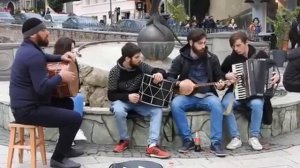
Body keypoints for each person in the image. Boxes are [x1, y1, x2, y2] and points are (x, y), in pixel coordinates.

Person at [9, 18, 82, 168]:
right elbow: (42, 88)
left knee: (67, 103)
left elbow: (44, 57)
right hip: (28, 110)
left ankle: (65, 148)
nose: (48, 33)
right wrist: (61, 76)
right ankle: (58, 159)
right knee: (75, 118)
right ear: (34, 34)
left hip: (27, 104)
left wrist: (60, 57)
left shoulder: (28, 49)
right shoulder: (32, 55)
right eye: (44, 30)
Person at [167, 28, 227, 157]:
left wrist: (221, 84)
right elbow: (169, 78)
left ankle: (215, 143)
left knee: (217, 105)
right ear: (191, 43)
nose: (203, 46)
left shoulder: (212, 58)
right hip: (187, 96)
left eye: (204, 43)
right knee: (176, 104)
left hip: (207, 95)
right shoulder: (180, 59)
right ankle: (187, 140)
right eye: (200, 43)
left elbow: (219, 78)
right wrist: (179, 83)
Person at [107, 42, 171, 159]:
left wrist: (159, 74)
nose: (140, 58)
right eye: (136, 57)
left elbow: (158, 70)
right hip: (123, 101)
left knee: (157, 110)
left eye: (140, 55)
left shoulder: (141, 65)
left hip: (140, 102)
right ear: (127, 58)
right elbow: (111, 95)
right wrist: (128, 97)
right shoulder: (115, 72)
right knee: (118, 110)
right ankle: (123, 140)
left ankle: (152, 145)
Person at [221, 31, 280, 151]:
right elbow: (219, 73)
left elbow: (273, 67)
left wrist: (277, 76)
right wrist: (226, 76)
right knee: (225, 104)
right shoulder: (230, 59)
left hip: (254, 95)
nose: (235, 49)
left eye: (238, 45)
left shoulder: (260, 54)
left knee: (257, 104)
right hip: (236, 93)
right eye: (233, 46)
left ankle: (254, 137)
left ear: (246, 42)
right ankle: (235, 138)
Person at [52, 37, 87, 143]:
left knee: (77, 98)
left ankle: (69, 135)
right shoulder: (55, 63)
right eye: (71, 49)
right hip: (55, 97)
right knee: (75, 100)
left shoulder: (71, 61)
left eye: (74, 48)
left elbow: (75, 80)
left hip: (66, 94)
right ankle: (70, 134)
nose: (73, 51)